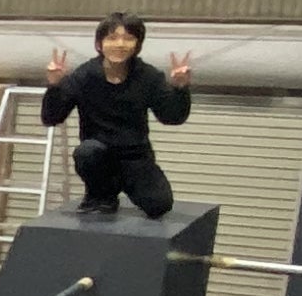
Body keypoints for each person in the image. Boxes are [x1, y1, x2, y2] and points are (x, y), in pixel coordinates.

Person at [42, 13, 195, 220]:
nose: (120, 44)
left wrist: (180, 88)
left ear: (137, 45)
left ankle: (124, 182)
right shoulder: (84, 76)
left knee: (160, 205)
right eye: (112, 38)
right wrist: (54, 86)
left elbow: (172, 117)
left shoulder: (148, 76)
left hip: (135, 156)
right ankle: (101, 195)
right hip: (99, 154)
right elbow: (51, 117)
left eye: (128, 38)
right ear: (99, 44)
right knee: (87, 152)